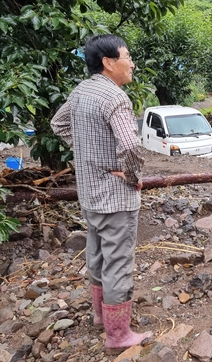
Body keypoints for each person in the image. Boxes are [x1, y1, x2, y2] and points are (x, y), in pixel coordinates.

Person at [51, 34, 150, 353]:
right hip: (115, 197)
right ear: (109, 63)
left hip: (90, 192)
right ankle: (118, 335)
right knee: (118, 261)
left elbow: (59, 124)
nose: (131, 62)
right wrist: (133, 176)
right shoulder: (116, 98)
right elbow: (131, 147)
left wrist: (86, 156)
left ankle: (99, 316)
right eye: (127, 56)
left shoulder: (82, 91)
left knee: (96, 253)